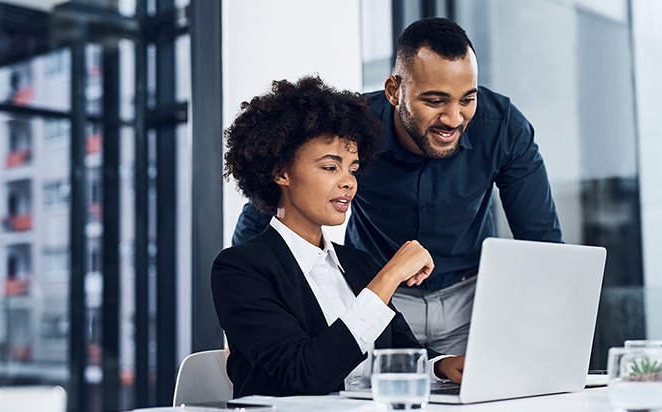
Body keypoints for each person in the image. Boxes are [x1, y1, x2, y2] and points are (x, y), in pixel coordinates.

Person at [232, 18, 563, 356]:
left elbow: (542, 242)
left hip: (470, 301)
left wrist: (548, 329)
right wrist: (247, 320)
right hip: (378, 301)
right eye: (435, 101)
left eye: (467, 99)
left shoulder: (503, 129)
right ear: (394, 91)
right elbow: (268, 209)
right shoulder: (353, 131)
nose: (453, 118)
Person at [212, 76, 466, 398]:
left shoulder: (357, 263)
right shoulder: (240, 269)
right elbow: (305, 374)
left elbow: (400, 353)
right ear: (281, 173)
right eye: (331, 167)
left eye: (353, 169)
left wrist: (443, 367)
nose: (349, 182)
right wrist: (389, 276)